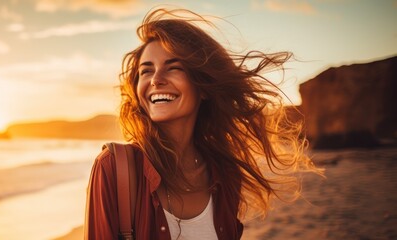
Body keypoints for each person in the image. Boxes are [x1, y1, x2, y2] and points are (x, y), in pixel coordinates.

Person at [85, 7, 320, 240]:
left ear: (203, 86)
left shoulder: (224, 174)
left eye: (174, 67)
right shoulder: (114, 168)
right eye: (146, 71)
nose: (156, 80)